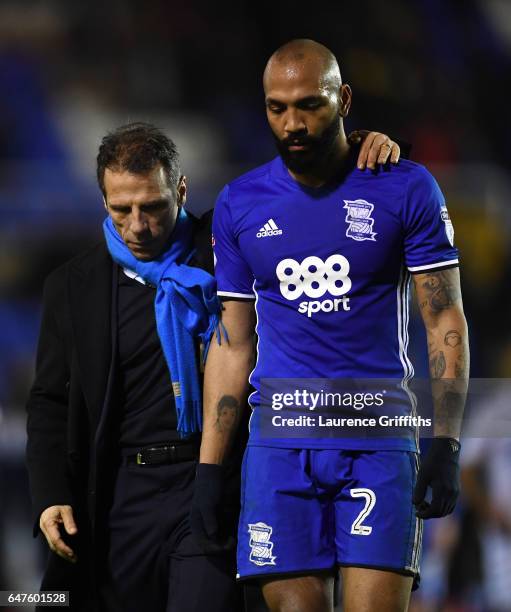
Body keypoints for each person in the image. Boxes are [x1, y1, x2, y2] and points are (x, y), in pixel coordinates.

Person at [25, 121, 398, 612]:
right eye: (121, 209)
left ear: (181, 189)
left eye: (153, 207)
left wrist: (358, 152)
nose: (137, 225)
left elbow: (309, 206)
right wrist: (51, 494)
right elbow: (51, 399)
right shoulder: (72, 287)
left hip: (211, 483)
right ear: (103, 201)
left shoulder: (229, 252)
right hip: (120, 496)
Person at [192, 39, 469, 612]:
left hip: (376, 441)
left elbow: (443, 315)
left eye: (309, 104)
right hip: (279, 448)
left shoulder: (404, 186)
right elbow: (233, 342)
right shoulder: (239, 203)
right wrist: (210, 466)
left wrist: (446, 440)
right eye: (277, 107)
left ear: (343, 100)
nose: (292, 122)